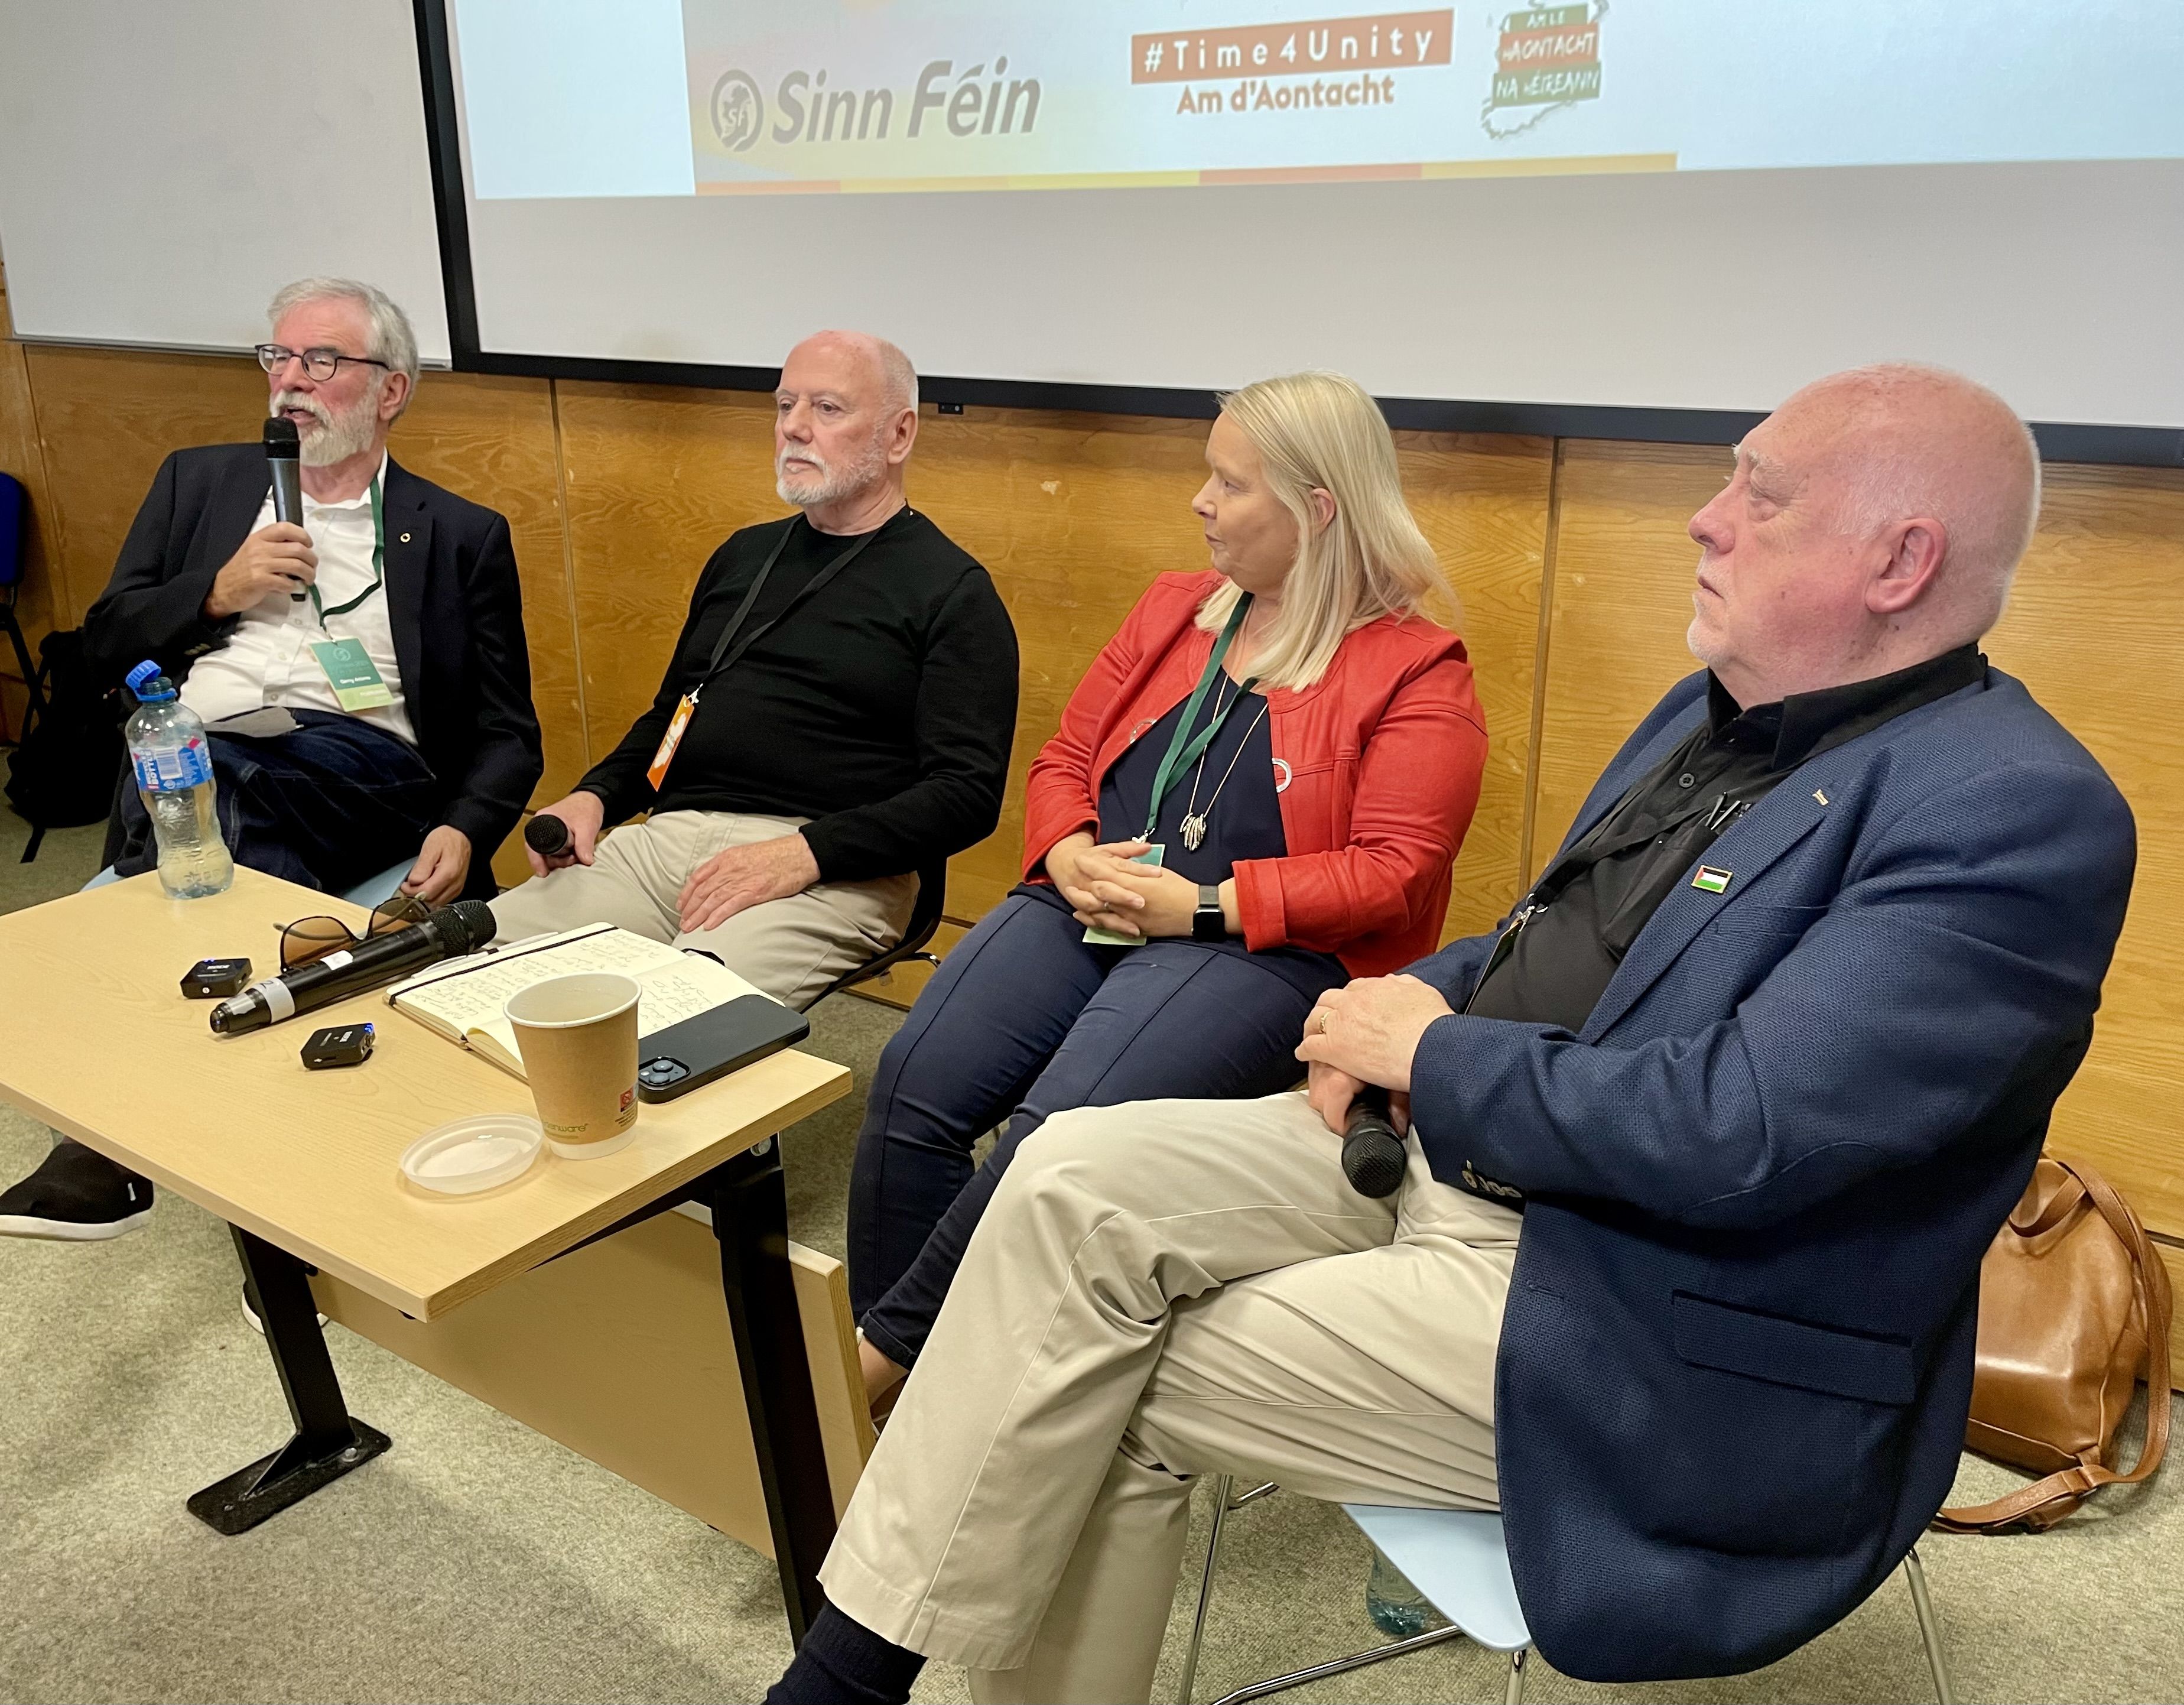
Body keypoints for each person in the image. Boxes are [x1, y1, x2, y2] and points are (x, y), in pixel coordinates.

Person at [764, 365, 2137, 1705]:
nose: (1705, 519)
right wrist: (1381, 1012)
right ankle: (851, 1669)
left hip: (1643, 1313)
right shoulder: (1713, 713)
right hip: (1470, 1155)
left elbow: (1744, 1131)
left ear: (1900, 561)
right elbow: (1547, 943)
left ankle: (846, 1676)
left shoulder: (2010, 813)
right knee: (1065, 1183)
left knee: (1084, 1361)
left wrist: (1430, 1053)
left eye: (1760, 498)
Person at [846, 371, 1488, 1417]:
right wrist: (1067, 856)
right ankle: (910, 1396)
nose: (1201, 501)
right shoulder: (1174, 611)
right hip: (1095, 900)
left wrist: (1193, 908)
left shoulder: (1418, 673)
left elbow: (1392, 874)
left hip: (1261, 950)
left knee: (1053, 1138)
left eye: (1229, 485)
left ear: (1317, 510)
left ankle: (882, 1379)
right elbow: (1062, 758)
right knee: (912, 1079)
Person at [0, 277, 542, 1243]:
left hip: (369, 764)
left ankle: (110, 1154)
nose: (291, 381)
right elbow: (98, 649)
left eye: (323, 361)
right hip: (203, 751)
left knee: (201, 777)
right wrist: (213, 592)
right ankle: (286, 1199)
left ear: (391, 391)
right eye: (278, 357)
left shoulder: (459, 533)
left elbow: (509, 732)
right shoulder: (198, 483)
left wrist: (467, 826)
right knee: (201, 770)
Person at [489, 331, 1017, 1011]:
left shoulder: (953, 591)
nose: (794, 427)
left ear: (898, 434)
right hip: (667, 842)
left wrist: (805, 853)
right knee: (485, 974)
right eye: (785, 404)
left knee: (675, 1013)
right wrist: (595, 797)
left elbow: (966, 794)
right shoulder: (745, 556)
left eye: (826, 409)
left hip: (832, 867)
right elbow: (673, 716)